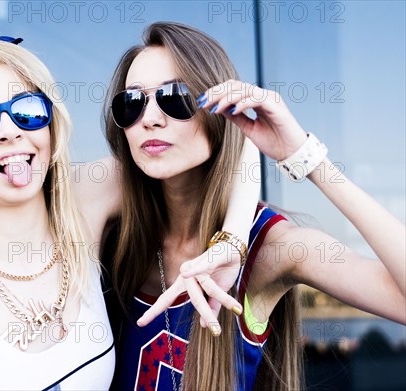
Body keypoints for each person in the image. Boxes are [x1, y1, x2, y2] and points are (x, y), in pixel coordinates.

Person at [0, 34, 261, 390]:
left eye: (27, 110)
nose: (9, 131)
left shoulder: (83, 203)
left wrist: (233, 240)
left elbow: (237, 137)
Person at [102, 22, 405, 391]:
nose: (149, 119)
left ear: (220, 109)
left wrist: (307, 159)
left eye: (175, 96)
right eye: (132, 102)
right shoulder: (111, 238)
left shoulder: (271, 247)